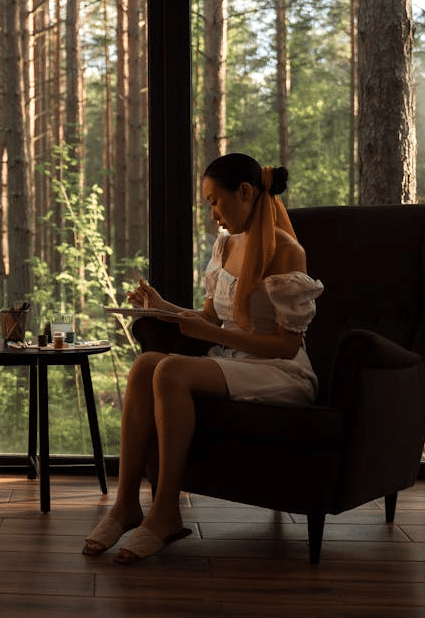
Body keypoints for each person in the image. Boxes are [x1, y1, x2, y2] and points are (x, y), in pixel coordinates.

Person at [83, 152, 323, 563]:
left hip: (280, 372)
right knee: (144, 366)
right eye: (208, 202)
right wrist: (161, 306)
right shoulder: (226, 245)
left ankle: (165, 513)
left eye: (215, 200)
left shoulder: (287, 252)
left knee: (172, 370)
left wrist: (211, 333)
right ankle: (125, 506)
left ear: (245, 192)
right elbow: (210, 317)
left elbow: (285, 346)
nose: (212, 213)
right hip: (235, 359)